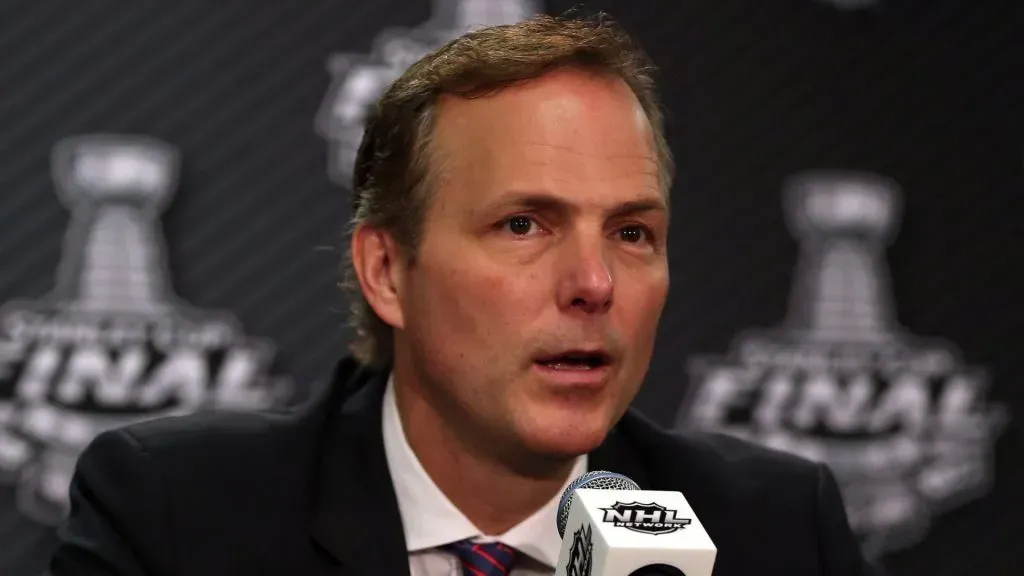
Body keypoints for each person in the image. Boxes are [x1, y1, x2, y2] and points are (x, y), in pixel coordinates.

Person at [49, 12, 871, 576]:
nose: (594, 284)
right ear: (387, 272)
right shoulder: (177, 520)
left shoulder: (776, 532)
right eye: (524, 225)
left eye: (631, 233)